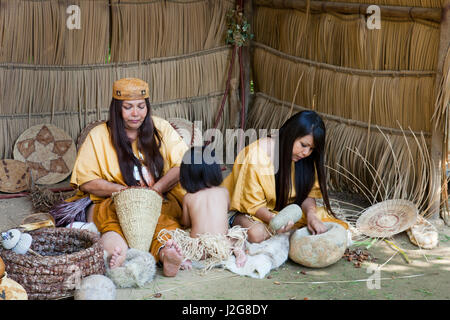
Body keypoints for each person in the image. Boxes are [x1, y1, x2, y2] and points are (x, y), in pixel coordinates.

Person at [54, 78, 190, 276]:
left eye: (141, 107)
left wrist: (155, 191)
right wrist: (124, 192)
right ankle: (118, 252)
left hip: (155, 201)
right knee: (113, 222)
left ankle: (165, 253)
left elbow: (182, 164)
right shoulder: (98, 135)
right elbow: (86, 181)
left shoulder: (161, 128)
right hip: (112, 201)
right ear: (117, 108)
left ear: (147, 106)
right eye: (128, 107)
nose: (136, 113)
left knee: (161, 222)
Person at [222, 110, 348, 243]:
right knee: (256, 234)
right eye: (303, 145)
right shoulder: (256, 155)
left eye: (311, 149)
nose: (306, 152)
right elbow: (253, 206)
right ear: (290, 134)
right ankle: (235, 221)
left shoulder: (304, 158)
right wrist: (276, 221)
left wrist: (312, 216)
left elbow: (306, 195)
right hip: (248, 211)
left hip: (282, 212)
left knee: (328, 220)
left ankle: (291, 229)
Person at [176, 146, 247, 268]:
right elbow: (226, 210)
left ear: (187, 175)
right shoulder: (223, 192)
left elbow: (186, 223)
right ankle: (239, 252)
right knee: (239, 236)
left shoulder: (189, 197)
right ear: (215, 170)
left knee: (178, 238)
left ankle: (184, 258)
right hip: (223, 246)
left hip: (199, 249)